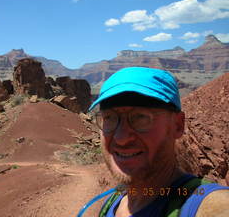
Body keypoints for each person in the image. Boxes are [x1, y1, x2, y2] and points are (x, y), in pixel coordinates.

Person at [81, 67, 229, 217]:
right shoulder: (112, 202)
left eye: (140, 117)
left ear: (177, 125)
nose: (121, 138)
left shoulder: (209, 207)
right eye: (109, 118)